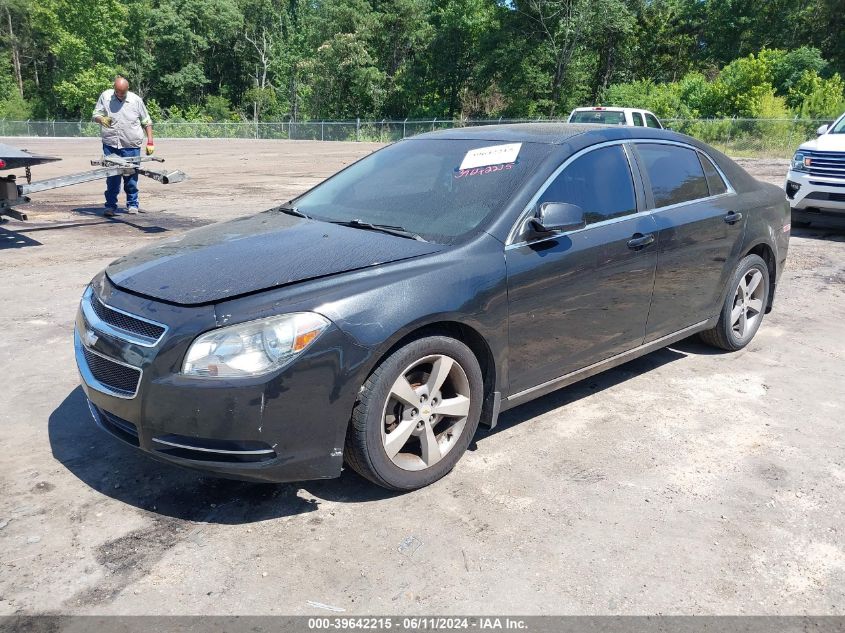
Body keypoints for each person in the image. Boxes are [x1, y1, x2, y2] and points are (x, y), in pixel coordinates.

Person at [92, 77, 155, 217]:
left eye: (123, 93)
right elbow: (95, 114)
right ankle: (110, 206)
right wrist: (101, 119)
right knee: (112, 178)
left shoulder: (136, 100)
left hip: (131, 144)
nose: (120, 95)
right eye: (118, 92)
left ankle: (132, 204)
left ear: (127, 89)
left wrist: (150, 141)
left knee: (131, 177)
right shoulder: (105, 97)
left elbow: (146, 121)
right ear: (114, 89)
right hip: (111, 144)